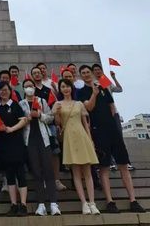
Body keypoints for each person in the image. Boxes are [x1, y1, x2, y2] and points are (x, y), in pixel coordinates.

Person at [77, 65, 145, 214]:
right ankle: (110, 201)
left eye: (88, 72)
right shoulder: (81, 92)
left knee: (123, 164)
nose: (86, 74)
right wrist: (94, 94)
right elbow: (88, 108)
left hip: (112, 129)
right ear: (80, 76)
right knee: (104, 167)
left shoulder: (103, 87)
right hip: (98, 131)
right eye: (83, 73)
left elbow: (111, 106)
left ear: (91, 73)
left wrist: (113, 122)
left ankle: (133, 200)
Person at [53, 79, 100, 215]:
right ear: (60, 89)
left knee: (88, 172)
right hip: (69, 138)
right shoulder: (58, 104)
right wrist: (56, 113)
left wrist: (90, 139)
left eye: (67, 86)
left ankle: (92, 203)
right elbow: (58, 123)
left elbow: (85, 123)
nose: (65, 89)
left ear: (71, 88)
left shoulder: (79, 104)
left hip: (82, 136)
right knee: (76, 173)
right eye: (63, 86)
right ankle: (84, 203)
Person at [19, 78, 61, 217]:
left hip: (44, 139)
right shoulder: (21, 104)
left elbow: (50, 118)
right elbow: (19, 121)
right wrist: (27, 118)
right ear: (23, 89)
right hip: (29, 140)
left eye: (31, 86)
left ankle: (54, 204)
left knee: (48, 170)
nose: (29, 88)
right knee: (36, 172)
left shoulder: (42, 101)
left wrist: (40, 115)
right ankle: (41, 204)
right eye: (26, 86)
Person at [0, 82, 28, 216]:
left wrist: (11, 129)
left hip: (16, 143)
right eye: (1, 90)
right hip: (2, 144)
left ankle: (23, 205)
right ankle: (13, 204)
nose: (3, 92)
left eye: (6, 90)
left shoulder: (15, 105)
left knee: (20, 173)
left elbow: (23, 120)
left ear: (10, 91)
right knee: (9, 175)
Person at [31, 66, 65, 192]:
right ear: (32, 76)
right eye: (34, 73)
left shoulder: (48, 90)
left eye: (38, 72)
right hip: (35, 125)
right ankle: (44, 179)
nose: (37, 74)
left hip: (49, 125)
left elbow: (55, 107)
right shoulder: (31, 91)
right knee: (40, 154)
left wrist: (58, 122)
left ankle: (56, 180)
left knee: (54, 152)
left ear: (42, 74)